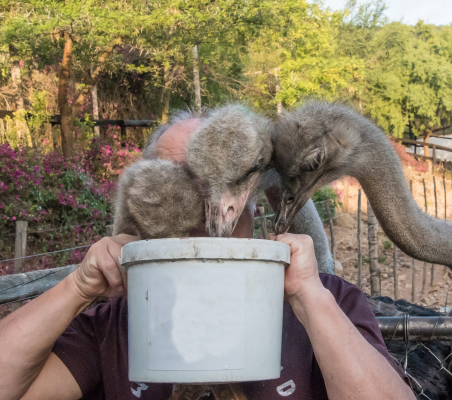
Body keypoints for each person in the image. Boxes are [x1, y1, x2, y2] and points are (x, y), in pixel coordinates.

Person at [0, 115, 416, 400]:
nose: (204, 199)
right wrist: (78, 287)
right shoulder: (113, 324)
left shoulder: (326, 301)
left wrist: (309, 296)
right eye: (177, 177)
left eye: (222, 176)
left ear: (252, 195)